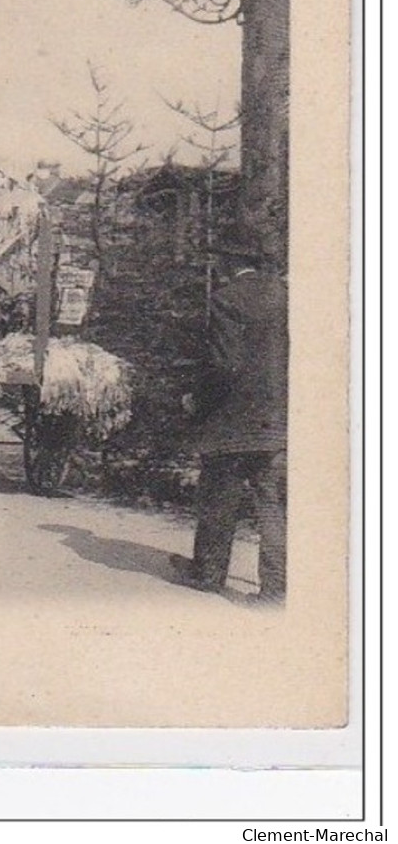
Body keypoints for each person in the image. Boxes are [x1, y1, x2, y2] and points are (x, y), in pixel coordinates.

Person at [171, 226, 288, 602]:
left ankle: (207, 574)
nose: (217, 264)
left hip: (232, 417)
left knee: (219, 496)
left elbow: (224, 365)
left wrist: (196, 400)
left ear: (231, 261)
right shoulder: (283, 296)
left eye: (220, 258)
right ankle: (275, 588)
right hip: (274, 416)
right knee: (270, 503)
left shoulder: (226, 299)